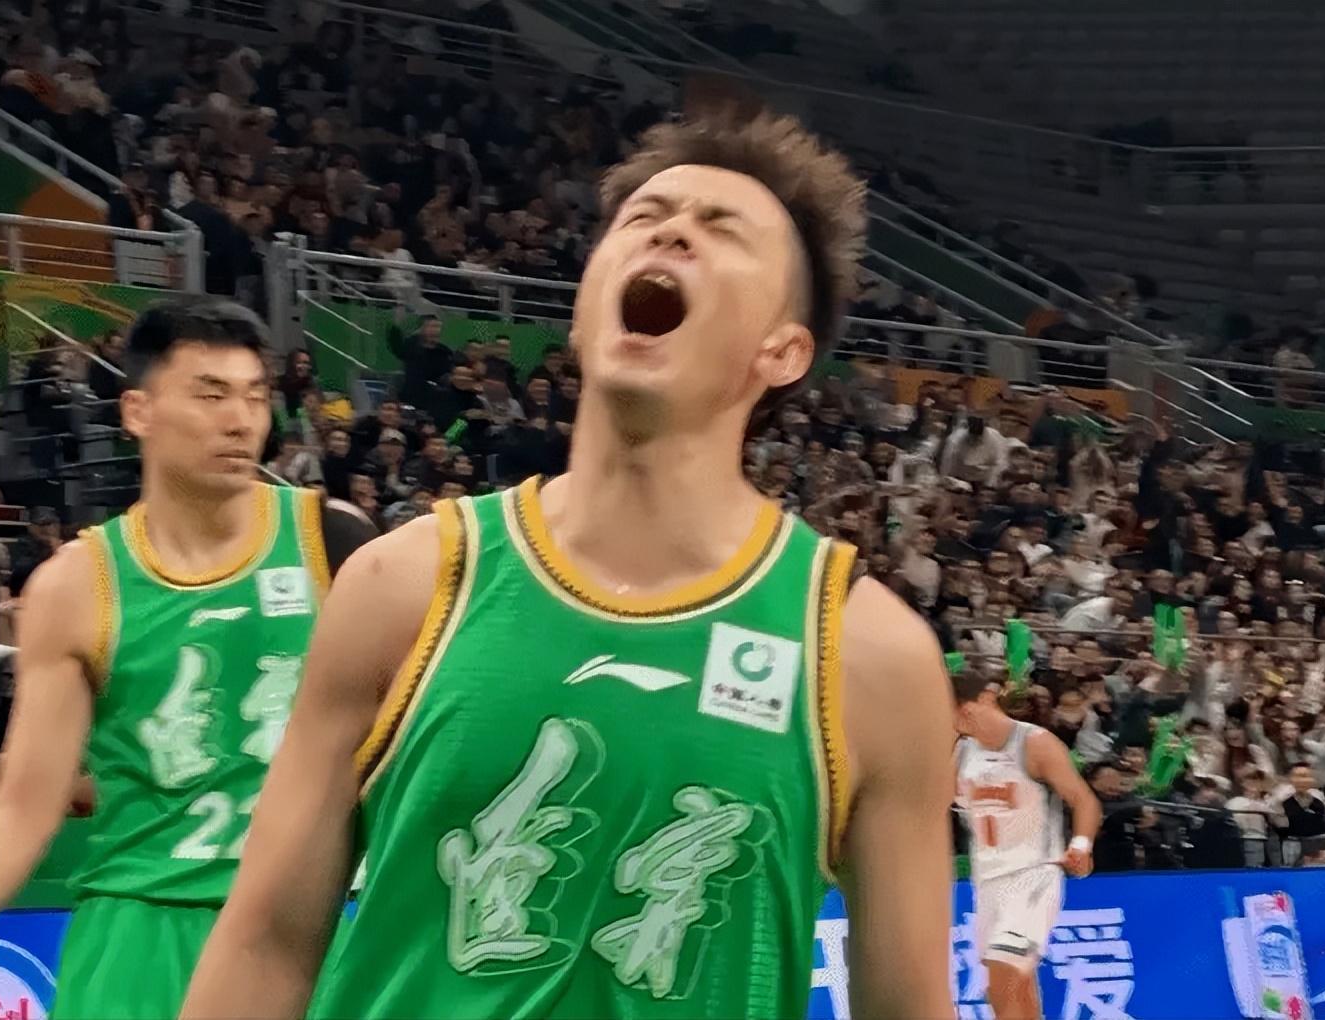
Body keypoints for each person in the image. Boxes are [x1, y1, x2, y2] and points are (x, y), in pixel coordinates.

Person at [183, 109, 955, 1019]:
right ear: (585, 303)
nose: (670, 231)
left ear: (781, 350)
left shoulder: (870, 657)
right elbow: (265, 945)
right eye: (644, 217)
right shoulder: (407, 584)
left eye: (721, 230)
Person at [0, 298, 375, 1020]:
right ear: (137, 411)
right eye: (210, 394)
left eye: (255, 396)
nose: (241, 421)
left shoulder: (336, 544)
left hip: (308, 928)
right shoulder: (76, 587)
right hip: (139, 931)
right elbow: (23, 811)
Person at [954, 671, 1101, 1020]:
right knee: (1016, 985)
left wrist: (1081, 845)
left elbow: (1083, 800)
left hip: (1033, 875)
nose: (960, 720)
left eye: (963, 710)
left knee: (1001, 977)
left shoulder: (1034, 742)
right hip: (988, 881)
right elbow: (931, 805)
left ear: (987, 699)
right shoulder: (962, 752)